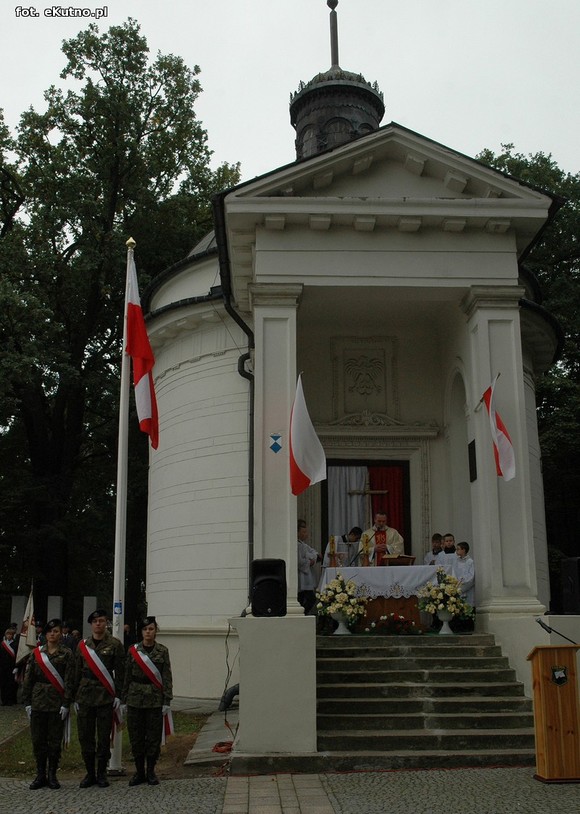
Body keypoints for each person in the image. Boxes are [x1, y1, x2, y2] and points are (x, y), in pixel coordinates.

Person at [72, 608, 125, 789]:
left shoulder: (115, 644)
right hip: (85, 696)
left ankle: (101, 774)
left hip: (105, 696)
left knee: (103, 737)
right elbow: (76, 672)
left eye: (101, 621)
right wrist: (73, 698)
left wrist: (119, 696)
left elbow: (121, 671)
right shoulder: (82, 646)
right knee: (86, 737)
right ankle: (90, 773)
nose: (98, 624)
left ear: (106, 623)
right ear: (91, 624)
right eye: (95, 621)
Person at [22, 619, 74, 790]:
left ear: (60, 634)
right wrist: (27, 702)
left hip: (56, 703)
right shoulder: (36, 654)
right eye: (50, 631)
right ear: (45, 634)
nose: (53, 634)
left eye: (56, 631)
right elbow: (28, 679)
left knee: (54, 741)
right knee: (38, 740)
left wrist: (66, 703)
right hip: (38, 702)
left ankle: (52, 774)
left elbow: (69, 680)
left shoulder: (66, 654)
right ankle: (40, 774)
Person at [122, 616, 173, 786]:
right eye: (145, 629)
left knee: (152, 737)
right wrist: (123, 700)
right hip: (135, 698)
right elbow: (126, 676)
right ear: (141, 632)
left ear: (155, 631)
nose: (148, 632)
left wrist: (167, 700)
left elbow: (166, 677)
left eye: (151, 629)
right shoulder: (133, 651)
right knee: (136, 737)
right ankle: (139, 772)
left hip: (154, 699)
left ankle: (151, 771)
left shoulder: (162, 651)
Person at [297, 519, 319, 613]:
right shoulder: (297, 545)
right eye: (304, 532)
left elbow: (314, 553)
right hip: (300, 576)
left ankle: (303, 615)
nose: (306, 534)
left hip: (305, 577)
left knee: (305, 598)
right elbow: (299, 561)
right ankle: (303, 615)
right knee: (308, 599)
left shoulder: (303, 544)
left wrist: (312, 558)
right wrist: (310, 561)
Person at [0, 627, 18, 706]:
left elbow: (17, 656)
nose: (9, 636)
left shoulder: (15, 644)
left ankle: (10, 700)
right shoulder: (2, 644)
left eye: (11, 634)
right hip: (3, 667)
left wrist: (17, 666)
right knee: (3, 683)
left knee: (10, 684)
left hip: (11, 666)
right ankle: (4, 700)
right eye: (8, 634)